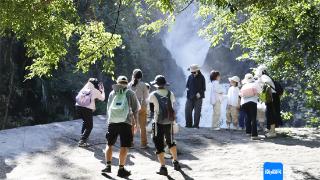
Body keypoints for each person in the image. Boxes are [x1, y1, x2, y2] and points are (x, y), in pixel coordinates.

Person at [102, 76, 140, 178]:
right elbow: (136, 110)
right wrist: (136, 124)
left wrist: (109, 122)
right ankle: (121, 169)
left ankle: (108, 166)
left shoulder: (112, 93)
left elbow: (108, 109)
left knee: (109, 144)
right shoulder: (130, 93)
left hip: (113, 122)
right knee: (124, 146)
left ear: (117, 83)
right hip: (125, 123)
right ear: (127, 83)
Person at [148, 75, 181, 176]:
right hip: (169, 121)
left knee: (159, 145)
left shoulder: (153, 95)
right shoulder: (170, 93)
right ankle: (175, 162)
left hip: (158, 122)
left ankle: (163, 167)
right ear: (164, 84)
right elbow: (172, 105)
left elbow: (152, 110)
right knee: (170, 141)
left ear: (156, 85)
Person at [75, 78, 105, 147]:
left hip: (78, 107)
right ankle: (82, 141)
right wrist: (102, 91)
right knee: (90, 126)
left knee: (85, 122)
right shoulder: (95, 90)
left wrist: (93, 107)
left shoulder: (83, 88)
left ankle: (83, 137)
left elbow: (90, 99)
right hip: (86, 109)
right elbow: (103, 98)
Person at [256, 65, 283, 138]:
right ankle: (271, 130)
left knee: (271, 113)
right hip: (273, 96)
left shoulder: (264, 76)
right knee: (271, 112)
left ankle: (272, 132)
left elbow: (266, 82)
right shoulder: (267, 76)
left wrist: (263, 86)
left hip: (271, 96)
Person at [128, 69, 149, 148]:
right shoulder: (143, 85)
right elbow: (146, 97)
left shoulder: (129, 85)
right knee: (143, 127)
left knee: (131, 126)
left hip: (132, 108)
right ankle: (143, 144)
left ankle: (130, 143)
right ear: (141, 77)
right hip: (142, 107)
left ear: (133, 75)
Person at [240, 73, 260, 140]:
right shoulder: (255, 84)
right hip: (252, 102)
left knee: (248, 117)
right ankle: (254, 135)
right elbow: (259, 91)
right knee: (253, 118)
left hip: (244, 103)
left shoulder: (244, 86)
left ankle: (248, 132)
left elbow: (240, 94)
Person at [185, 64, 206, 128]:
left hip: (198, 98)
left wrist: (200, 93)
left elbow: (204, 88)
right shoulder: (190, 77)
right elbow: (187, 85)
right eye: (192, 72)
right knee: (187, 110)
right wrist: (187, 89)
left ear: (198, 70)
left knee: (197, 112)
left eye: (194, 72)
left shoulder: (202, 77)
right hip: (190, 97)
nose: (193, 73)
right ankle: (188, 125)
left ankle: (196, 125)